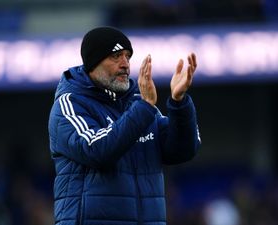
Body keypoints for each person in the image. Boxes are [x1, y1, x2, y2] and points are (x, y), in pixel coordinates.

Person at [48, 26, 201, 225]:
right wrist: (144, 107)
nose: (125, 65)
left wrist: (178, 102)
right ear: (93, 63)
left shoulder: (138, 104)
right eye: (116, 56)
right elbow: (96, 150)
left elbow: (183, 150)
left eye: (127, 57)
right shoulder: (70, 104)